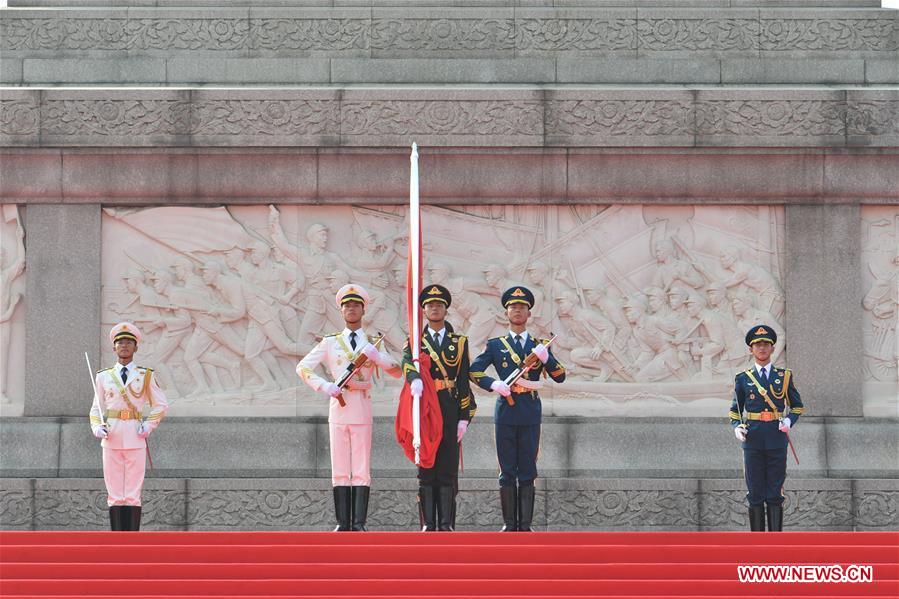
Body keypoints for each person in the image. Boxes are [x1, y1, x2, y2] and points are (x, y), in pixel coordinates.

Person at [297, 284, 402, 531]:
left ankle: (359, 522)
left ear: (363, 310)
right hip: (339, 406)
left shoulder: (373, 342)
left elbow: (397, 371)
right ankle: (343, 523)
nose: (351, 309)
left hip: (362, 407)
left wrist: (378, 358)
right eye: (347, 306)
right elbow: (303, 367)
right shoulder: (330, 342)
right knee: (341, 466)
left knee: (362, 467)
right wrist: (324, 386)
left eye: (355, 305)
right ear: (341, 311)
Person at [470, 287, 566, 532]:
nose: (517, 310)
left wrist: (547, 359)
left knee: (528, 468)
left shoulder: (539, 346)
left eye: (522, 307)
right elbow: (474, 371)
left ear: (529, 313)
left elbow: (560, 376)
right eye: (513, 307)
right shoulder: (495, 345)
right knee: (506, 468)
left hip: (530, 409)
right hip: (506, 410)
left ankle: (525, 525)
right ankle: (509, 524)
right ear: (506, 313)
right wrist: (494, 384)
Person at [402, 284, 477, 531]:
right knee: (426, 466)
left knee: (446, 467)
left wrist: (464, 417)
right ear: (423, 310)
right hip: (425, 407)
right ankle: (428, 524)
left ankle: (446, 524)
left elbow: (464, 379)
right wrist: (414, 379)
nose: (434, 308)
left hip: (449, 406)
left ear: (445, 309)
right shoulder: (415, 341)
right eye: (430, 305)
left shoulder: (460, 342)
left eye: (439, 305)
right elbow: (406, 362)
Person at [89, 323, 168, 531]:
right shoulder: (103, 376)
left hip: (135, 435)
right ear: (114, 348)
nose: (124, 346)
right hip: (112, 435)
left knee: (133, 492)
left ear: (136, 348)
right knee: (114, 492)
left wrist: (149, 426)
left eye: (129, 343)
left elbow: (161, 405)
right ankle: (117, 540)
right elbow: (96, 408)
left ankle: (132, 541)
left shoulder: (146, 375)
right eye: (120, 343)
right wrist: (97, 427)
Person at [729, 325, 804, 532]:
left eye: (766, 345)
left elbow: (797, 406)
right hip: (752, 438)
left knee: (774, 492)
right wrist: (737, 427)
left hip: (776, 438)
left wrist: (789, 421)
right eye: (757, 345)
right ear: (751, 350)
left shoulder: (784, 376)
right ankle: (757, 546)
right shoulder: (743, 378)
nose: (761, 348)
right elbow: (735, 409)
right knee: (754, 492)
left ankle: (775, 545)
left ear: (772, 349)